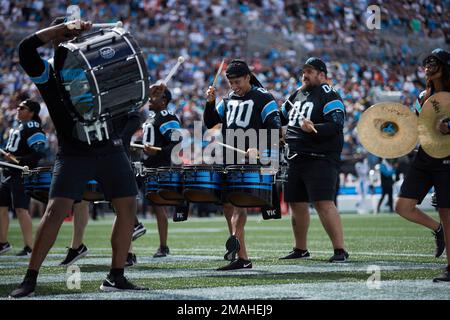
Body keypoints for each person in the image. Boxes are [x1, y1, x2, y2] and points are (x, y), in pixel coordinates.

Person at [10, 18, 147, 298]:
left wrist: (120, 134)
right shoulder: (48, 72)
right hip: (74, 152)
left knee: (128, 207)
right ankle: (30, 278)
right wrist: (60, 30)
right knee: (55, 212)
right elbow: (25, 49)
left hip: (109, 148)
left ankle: (116, 275)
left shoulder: (94, 64)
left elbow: (132, 104)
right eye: (65, 33)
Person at [204, 59, 281, 270]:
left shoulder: (263, 97)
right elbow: (210, 123)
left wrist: (259, 146)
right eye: (231, 83)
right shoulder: (227, 99)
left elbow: (275, 127)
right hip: (229, 156)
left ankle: (240, 253)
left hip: (250, 159)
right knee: (228, 205)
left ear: (248, 77)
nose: (235, 86)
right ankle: (240, 252)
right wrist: (209, 103)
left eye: (238, 82)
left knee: (237, 204)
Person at [279, 57, 349, 262]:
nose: (304, 75)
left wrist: (315, 128)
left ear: (321, 74)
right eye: (303, 71)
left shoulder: (329, 94)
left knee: (323, 203)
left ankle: (340, 250)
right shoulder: (296, 94)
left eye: (309, 71)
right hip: (295, 157)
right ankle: (300, 249)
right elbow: (280, 118)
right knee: (296, 203)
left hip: (320, 158)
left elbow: (336, 124)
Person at [59, 110, 145, 267]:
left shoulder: (123, 92)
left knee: (118, 200)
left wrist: (119, 140)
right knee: (81, 197)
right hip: (92, 150)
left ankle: (129, 245)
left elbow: (134, 119)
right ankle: (77, 246)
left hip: (115, 153)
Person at [395, 48, 450, 282]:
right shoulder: (422, 96)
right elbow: (417, 124)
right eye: (426, 61)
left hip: (447, 158)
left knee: (448, 213)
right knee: (402, 206)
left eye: (433, 61)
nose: (427, 65)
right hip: (424, 156)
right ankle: (437, 230)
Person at [0, 99, 47, 256]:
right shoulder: (17, 125)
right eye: (18, 107)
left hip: (19, 172)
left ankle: (29, 247)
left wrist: (18, 160)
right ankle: (3, 243)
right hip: (8, 171)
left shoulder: (32, 125)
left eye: (22, 108)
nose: (18, 109)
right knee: (1, 207)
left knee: (21, 209)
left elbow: (39, 151)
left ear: (31, 112)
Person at [140, 84, 181, 258]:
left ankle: (163, 245)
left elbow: (175, 143)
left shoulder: (167, 117)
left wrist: (156, 150)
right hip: (145, 164)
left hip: (159, 165)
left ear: (164, 100)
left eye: (155, 96)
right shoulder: (150, 116)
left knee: (159, 206)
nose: (150, 98)